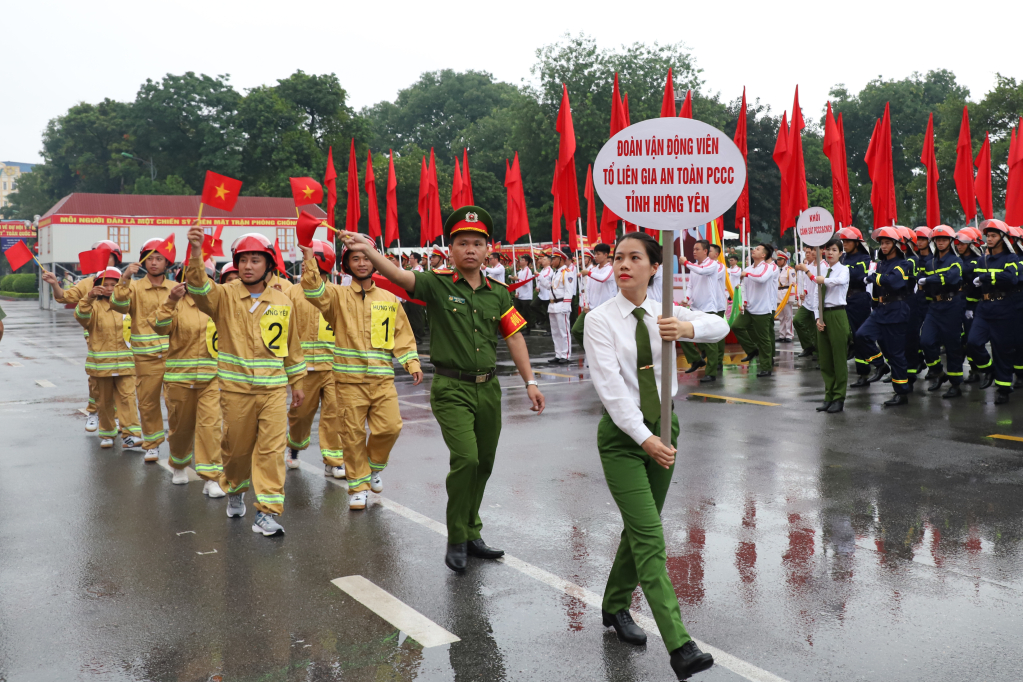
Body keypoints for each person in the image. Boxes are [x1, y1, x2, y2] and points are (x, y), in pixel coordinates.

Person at [342, 205, 544, 572]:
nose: (470, 249)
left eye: (477, 243)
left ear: (488, 249)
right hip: (452, 388)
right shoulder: (436, 285)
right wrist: (368, 251)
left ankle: (471, 531)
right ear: (449, 249)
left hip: (489, 389)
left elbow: (514, 337)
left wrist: (530, 381)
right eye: (462, 243)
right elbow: (399, 275)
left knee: (483, 464)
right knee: (465, 459)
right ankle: (456, 535)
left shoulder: (498, 293)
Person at [583, 231, 725, 681]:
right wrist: (644, 438)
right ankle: (680, 644)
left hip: (666, 429)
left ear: (653, 267)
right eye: (618, 258)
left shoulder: (667, 312)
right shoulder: (600, 319)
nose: (623, 264)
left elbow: (720, 325)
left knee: (639, 528)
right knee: (650, 536)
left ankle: (614, 604)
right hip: (627, 439)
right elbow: (611, 393)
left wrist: (685, 328)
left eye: (634, 257)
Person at [185, 227, 306, 537]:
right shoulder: (223, 296)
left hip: (274, 390)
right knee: (236, 451)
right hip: (235, 392)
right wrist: (196, 251)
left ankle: (266, 512)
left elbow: (291, 345)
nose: (248, 266)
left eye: (256, 260)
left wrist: (298, 381)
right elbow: (198, 288)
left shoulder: (282, 300)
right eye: (243, 260)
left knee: (271, 451)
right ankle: (235, 489)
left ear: (269, 265)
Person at [301, 238, 422, 510]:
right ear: (347, 265)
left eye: (366, 258)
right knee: (352, 435)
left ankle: (373, 467)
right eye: (355, 259)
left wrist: (411, 362)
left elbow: (401, 334)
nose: (362, 263)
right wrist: (309, 258)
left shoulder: (389, 299)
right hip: (347, 383)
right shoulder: (336, 296)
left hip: (382, 380)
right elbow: (312, 290)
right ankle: (357, 486)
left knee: (390, 428)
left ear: (374, 261)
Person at [150, 272, 226, 496]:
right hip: (179, 379)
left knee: (211, 427)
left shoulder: (219, 304)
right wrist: (171, 301)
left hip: (212, 378)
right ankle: (180, 464)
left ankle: (211, 478)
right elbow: (159, 326)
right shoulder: (177, 305)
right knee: (180, 429)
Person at [42, 240, 127, 434]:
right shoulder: (88, 282)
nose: (104, 260)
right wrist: (55, 283)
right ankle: (93, 412)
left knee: (123, 379)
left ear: (117, 258)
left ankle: (119, 417)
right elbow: (63, 297)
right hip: (97, 336)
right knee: (97, 378)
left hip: (124, 337)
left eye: (109, 256)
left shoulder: (125, 281)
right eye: (99, 256)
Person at [283, 239, 346, 479]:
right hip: (303, 368)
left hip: (333, 365)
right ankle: (295, 445)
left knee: (334, 414)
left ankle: (334, 460)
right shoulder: (291, 293)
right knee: (300, 415)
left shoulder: (338, 293)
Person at [110, 239, 175, 463]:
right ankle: (152, 445)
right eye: (150, 259)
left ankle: (178, 445)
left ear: (168, 262)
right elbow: (118, 306)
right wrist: (125, 277)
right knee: (147, 403)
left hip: (174, 357)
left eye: (159, 259)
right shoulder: (134, 288)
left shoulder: (175, 289)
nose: (154, 263)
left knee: (176, 403)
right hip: (146, 357)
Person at [73, 267, 142, 449]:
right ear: (97, 286)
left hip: (127, 363)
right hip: (101, 366)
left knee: (128, 398)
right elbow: (81, 316)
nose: (110, 288)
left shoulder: (127, 305)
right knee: (104, 402)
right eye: (106, 284)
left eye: (115, 284)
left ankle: (132, 434)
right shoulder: (92, 306)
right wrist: (88, 297)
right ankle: (107, 433)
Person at [854, 227, 912, 406]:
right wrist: (874, 303)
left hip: (896, 309)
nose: (883, 246)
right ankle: (880, 364)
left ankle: (901, 393)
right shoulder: (881, 264)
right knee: (861, 336)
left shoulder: (904, 263)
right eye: (882, 243)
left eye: (887, 243)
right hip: (880, 309)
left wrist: (875, 277)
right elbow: (879, 285)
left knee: (896, 354)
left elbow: (893, 282)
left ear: (896, 245)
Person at [966, 219, 1019, 404]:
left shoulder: (1012, 259)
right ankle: (989, 370)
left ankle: (1004, 388)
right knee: (973, 342)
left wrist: (988, 276)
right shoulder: (982, 259)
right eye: (987, 235)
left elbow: (1010, 278)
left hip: (1004, 308)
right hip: (984, 308)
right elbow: (975, 284)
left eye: (993, 235)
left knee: (1002, 350)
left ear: (1003, 238)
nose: (989, 239)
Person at [918, 225, 965, 398]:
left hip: (951, 305)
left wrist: (928, 279)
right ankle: (938, 372)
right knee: (925, 341)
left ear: (951, 241)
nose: (940, 242)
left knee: (953, 346)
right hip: (934, 306)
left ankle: (955, 383)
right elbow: (921, 283)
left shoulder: (956, 261)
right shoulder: (930, 261)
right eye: (938, 240)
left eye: (944, 239)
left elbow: (951, 278)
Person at [840, 228, 886, 386]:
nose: (844, 244)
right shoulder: (844, 257)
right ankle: (863, 369)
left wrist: (842, 271)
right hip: (845, 299)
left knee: (860, 335)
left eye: (848, 241)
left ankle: (865, 371)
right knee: (851, 335)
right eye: (843, 241)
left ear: (857, 243)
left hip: (859, 299)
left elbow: (858, 276)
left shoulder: (864, 258)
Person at [810, 239, 850, 413]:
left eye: (834, 250)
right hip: (823, 314)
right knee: (825, 359)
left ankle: (839, 397)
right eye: (828, 250)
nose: (830, 253)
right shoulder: (822, 270)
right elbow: (814, 296)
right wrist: (818, 318)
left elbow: (838, 282)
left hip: (837, 314)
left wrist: (823, 280)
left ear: (841, 253)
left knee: (838, 358)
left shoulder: (843, 270)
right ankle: (829, 395)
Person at [679, 240, 727, 384]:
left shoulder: (712, 264)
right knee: (682, 334)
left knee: (710, 342)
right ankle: (695, 359)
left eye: (697, 249)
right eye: (693, 249)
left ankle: (711, 372)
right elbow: (691, 285)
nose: (694, 251)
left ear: (705, 251)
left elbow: (703, 271)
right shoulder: (695, 267)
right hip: (695, 307)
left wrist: (686, 263)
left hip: (708, 307)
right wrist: (687, 297)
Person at [733, 244, 778, 377]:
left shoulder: (767, 267)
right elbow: (744, 287)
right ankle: (752, 350)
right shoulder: (748, 268)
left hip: (762, 309)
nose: (754, 250)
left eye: (757, 249)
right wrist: (745, 301)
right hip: (750, 308)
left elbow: (761, 279)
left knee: (764, 339)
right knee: (736, 326)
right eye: (754, 249)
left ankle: (766, 367)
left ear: (764, 255)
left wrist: (746, 274)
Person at [954, 228, 984, 384]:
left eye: (962, 243)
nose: (958, 246)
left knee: (970, 338)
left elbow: (966, 272)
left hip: (972, 304)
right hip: (958, 302)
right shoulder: (956, 259)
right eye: (957, 243)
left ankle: (976, 369)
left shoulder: (977, 260)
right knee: (959, 339)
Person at [547, 248, 576, 364]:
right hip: (553, 305)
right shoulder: (556, 273)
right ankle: (558, 354)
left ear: (561, 259)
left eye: (554, 259)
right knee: (555, 332)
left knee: (564, 332)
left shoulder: (567, 272)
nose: (552, 261)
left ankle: (566, 354)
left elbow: (569, 291)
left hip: (562, 305)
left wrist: (566, 305)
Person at [791, 245, 819, 359]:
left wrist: (805, 269)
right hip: (807, 302)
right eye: (807, 252)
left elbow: (817, 281)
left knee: (815, 329)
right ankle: (808, 346)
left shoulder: (823, 266)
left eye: (811, 251)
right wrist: (804, 292)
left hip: (817, 302)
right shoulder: (808, 266)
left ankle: (818, 353)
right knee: (797, 321)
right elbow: (806, 283)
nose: (809, 253)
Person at [774, 252, 795, 343]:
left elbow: (792, 285)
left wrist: (791, 298)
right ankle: (782, 335)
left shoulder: (790, 270)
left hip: (786, 294)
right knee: (781, 317)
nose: (778, 261)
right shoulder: (775, 270)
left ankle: (789, 335)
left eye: (780, 260)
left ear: (785, 260)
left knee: (788, 316)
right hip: (778, 294)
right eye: (777, 260)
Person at [512, 254, 535, 335]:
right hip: (520, 295)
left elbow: (525, 282)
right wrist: (517, 292)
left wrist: (517, 279)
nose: (520, 261)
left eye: (522, 260)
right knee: (516, 311)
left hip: (526, 296)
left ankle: (527, 329)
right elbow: (517, 283)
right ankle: (518, 327)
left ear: (526, 262)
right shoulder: (520, 271)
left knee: (526, 313)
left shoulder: (528, 271)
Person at [534, 251, 553, 331]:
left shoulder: (549, 270)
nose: (543, 261)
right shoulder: (542, 270)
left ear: (549, 261)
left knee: (549, 312)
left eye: (545, 259)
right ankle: (542, 317)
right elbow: (539, 281)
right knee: (533, 305)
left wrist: (538, 275)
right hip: (541, 294)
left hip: (547, 295)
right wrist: (538, 286)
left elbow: (544, 278)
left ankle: (549, 329)